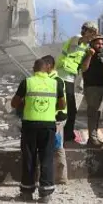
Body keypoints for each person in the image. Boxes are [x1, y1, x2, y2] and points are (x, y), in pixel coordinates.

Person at [11, 58, 66, 203]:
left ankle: (27, 192)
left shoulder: (27, 82)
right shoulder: (56, 83)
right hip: (48, 125)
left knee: (29, 157)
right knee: (46, 157)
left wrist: (26, 104)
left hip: (30, 125)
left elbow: (14, 103)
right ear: (46, 69)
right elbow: (62, 104)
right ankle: (46, 194)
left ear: (34, 68)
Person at [56, 21, 98, 144]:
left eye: (94, 33)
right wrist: (87, 40)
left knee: (71, 110)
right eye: (90, 31)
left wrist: (89, 55)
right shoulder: (77, 38)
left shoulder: (86, 48)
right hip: (61, 75)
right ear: (84, 30)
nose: (92, 35)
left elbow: (84, 68)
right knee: (62, 107)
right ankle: (63, 136)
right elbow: (80, 41)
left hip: (70, 79)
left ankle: (67, 136)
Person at [41, 55, 68, 184]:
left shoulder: (56, 81)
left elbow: (59, 102)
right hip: (50, 117)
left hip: (57, 117)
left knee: (57, 147)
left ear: (49, 66)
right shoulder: (48, 79)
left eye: (42, 65)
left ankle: (61, 177)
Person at [80, 35, 103, 148]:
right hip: (91, 87)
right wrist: (89, 55)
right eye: (98, 43)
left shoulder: (102, 56)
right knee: (93, 113)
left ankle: (94, 137)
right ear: (92, 44)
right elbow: (84, 68)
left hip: (100, 87)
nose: (100, 46)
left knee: (97, 114)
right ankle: (92, 139)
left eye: (102, 44)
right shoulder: (87, 54)